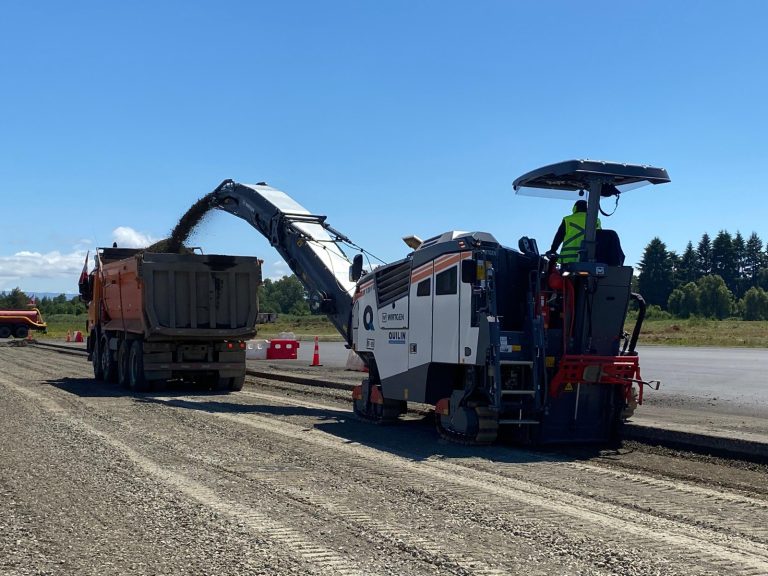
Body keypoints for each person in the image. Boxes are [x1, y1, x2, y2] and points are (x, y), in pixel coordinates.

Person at [549, 200, 601, 264]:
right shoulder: (596, 220)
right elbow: (600, 238)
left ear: (575, 208)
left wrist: (553, 250)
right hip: (589, 259)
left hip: (568, 259)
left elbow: (559, 237)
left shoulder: (568, 219)